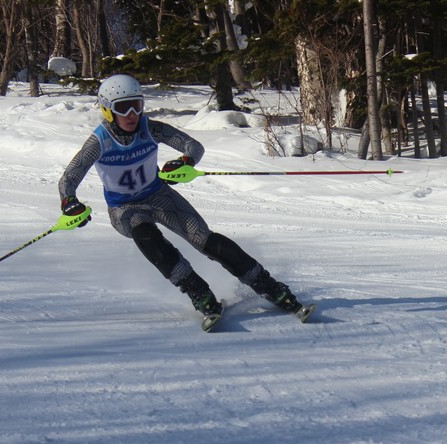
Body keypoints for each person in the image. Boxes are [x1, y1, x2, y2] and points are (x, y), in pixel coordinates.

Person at [58, 74, 307, 323]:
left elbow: (194, 147)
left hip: (159, 196)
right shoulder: (99, 142)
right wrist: (69, 202)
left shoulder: (150, 128)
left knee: (205, 240)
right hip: (125, 209)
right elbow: (69, 178)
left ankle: (270, 287)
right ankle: (199, 293)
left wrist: (186, 161)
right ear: (107, 110)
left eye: (138, 104)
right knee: (149, 238)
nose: (133, 113)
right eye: (124, 108)